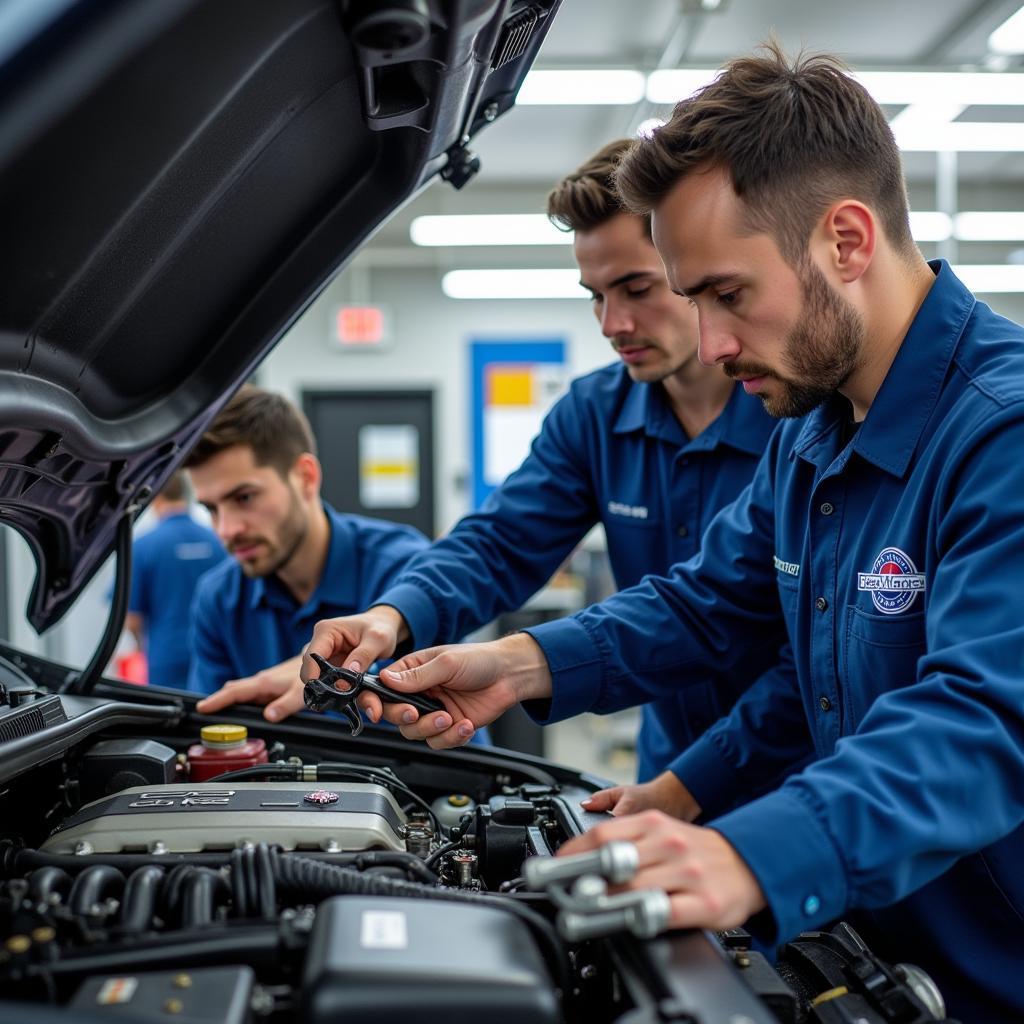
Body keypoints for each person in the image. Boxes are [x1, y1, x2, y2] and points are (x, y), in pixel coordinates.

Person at [318, 45, 1024, 1023]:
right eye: (693, 301)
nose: (715, 343)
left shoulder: (1003, 432)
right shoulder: (812, 434)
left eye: (727, 294)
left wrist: (750, 848)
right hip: (872, 946)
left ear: (847, 241)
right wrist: (518, 666)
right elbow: (712, 608)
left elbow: (984, 722)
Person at [201, 139, 785, 796]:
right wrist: (390, 620)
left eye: (637, 288)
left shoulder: (792, 412)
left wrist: (690, 788)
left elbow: (755, 627)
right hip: (667, 761)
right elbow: (498, 543)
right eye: (594, 295)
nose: (612, 322)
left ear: (689, 269)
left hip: (792, 764)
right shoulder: (593, 414)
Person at [182, 386, 430, 706]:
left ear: (306, 477)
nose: (227, 530)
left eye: (244, 498)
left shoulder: (405, 570)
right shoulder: (219, 599)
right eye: (211, 509)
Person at [122, 471, 227, 687]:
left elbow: (131, 617)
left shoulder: (143, 546)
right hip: (218, 654)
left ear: (155, 497)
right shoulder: (219, 540)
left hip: (165, 657)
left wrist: (142, 647)